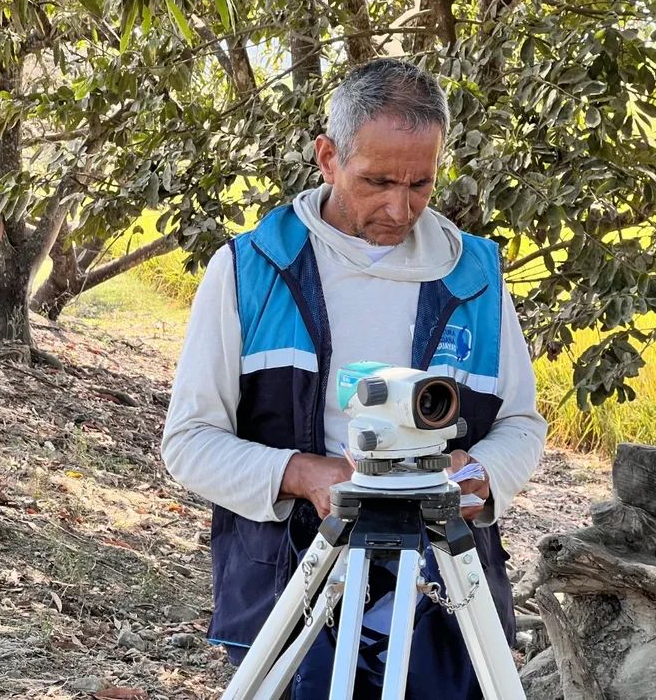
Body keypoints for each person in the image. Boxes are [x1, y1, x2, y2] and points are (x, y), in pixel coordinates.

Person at [162, 57, 547, 698]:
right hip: (289, 582)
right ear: (328, 158)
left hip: (444, 596)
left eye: (421, 184)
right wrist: (304, 475)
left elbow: (522, 425)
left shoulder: (475, 277)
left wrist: (479, 475)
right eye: (377, 181)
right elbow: (189, 442)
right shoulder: (250, 270)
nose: (400, 207)